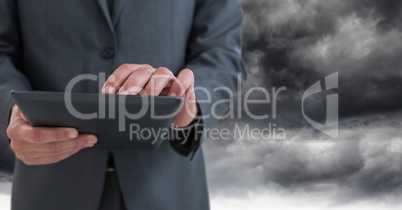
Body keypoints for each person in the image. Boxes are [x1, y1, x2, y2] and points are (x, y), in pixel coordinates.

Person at [0, 0, 246, 209]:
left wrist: (190, 106)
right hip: (48, 187)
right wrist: (14, 111)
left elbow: (221, 52)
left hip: (168, 185)